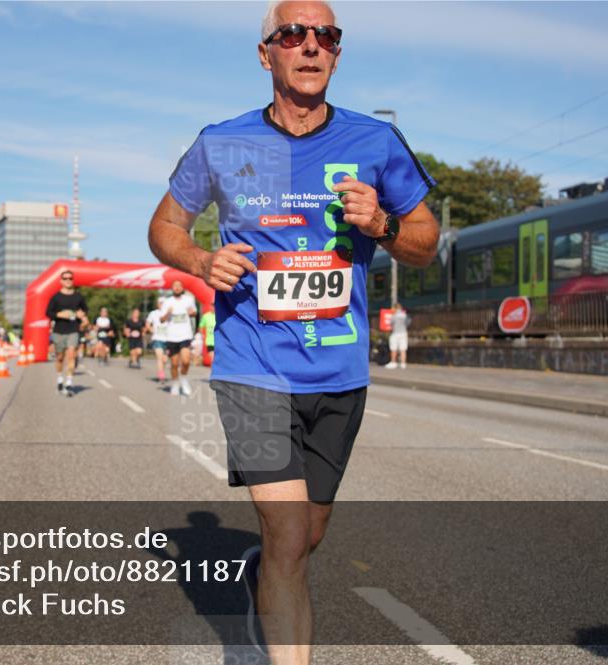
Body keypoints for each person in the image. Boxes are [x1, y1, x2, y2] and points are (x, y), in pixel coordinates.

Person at [146, 2, 439, 660]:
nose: (310, 46)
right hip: (253, 366)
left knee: (307, 534)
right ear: (266, 53)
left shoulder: (375, 142)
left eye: (326, 36)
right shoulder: (222, 141)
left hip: (339, 373)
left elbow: (427, 241)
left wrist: (385, 227)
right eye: (293, 35)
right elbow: (164, 227)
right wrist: (199, 259)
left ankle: (272, 578)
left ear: (337, 53)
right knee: (283, 531)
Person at [46, 270, 88, 396]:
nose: (68, 280)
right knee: (60, 357)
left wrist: (82, 314)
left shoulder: (78, 297)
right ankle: (60, 379)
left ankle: (69, 383)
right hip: (59, 330)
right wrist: (60, 314)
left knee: (71, 356)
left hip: (73, 330)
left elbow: (85, 310)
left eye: (70, 278)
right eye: (65, 278)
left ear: (73, 280)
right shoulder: (56, 297)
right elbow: (48, 313)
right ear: (61, 281)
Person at [159, 280, 197, 396]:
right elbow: (161, 319)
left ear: (182, 288)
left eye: (179, 286)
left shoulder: (189, 300)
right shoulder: (167, 302)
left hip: (185, 335)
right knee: (174, 364)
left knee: (186, 361)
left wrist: (192, 313)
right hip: (171, 336)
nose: (177, 288)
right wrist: (168, 314)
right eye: (175, 286)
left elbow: (194, 313)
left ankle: (184, 379)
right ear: (172, 288)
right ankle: (175, 383)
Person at [145, 297, 170, 384]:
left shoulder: (168, 314)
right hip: (157, 338)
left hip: (168, 339)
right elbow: (147, 323)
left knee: (165, 359)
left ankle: (162, 371)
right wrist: (151, 330)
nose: (161, 305)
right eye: (160, 303)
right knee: (159, 357)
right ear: (157, 304)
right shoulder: (153, 313)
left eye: (163, 303)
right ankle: (161, 376)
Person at [386, 302, 410, 369]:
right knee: (403, 349)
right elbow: (407, 323)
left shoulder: (394, 315)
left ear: (395, 308)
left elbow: (391, 323)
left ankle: (393, 362)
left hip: (395, 333)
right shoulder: (404, 315)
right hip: (403, 333)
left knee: (393, 348)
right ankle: (403, 363)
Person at [198, 298, 217, 365]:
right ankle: (214, 370)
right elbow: (201, 326)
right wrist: (202, 334)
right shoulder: (206, 316)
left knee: (218, 357)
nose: (214, 307)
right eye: (212, 305)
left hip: (219, 340)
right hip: (209, 341)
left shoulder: (220, 315)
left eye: (215, 305)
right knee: (212, 357)